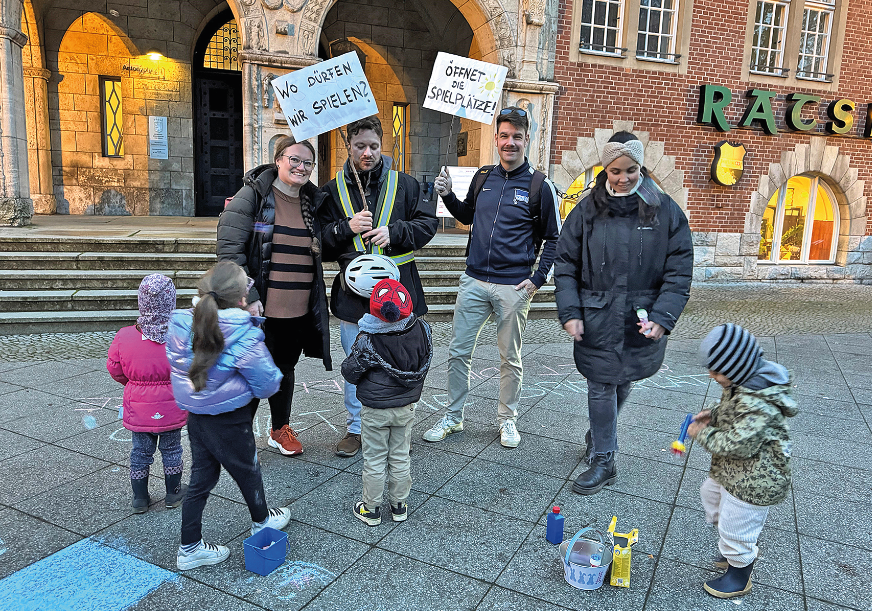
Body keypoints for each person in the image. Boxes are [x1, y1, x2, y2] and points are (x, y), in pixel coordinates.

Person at [553, 130, 693, 494]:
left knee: (623, 381)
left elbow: (679, 270)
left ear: (640, 167)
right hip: (597, 318)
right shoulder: (586, 210)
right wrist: (570, 310)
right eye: (615, 170)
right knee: (601, 385)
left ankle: (599, 434)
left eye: (630, 169)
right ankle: (604, 458)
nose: (623, 177)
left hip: (639, 320)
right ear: (605, 168)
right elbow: (565, 262)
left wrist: (664, 317)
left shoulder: (664, 210)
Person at [425, 107, 560, 448]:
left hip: (513, 286)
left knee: (510, 359)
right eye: (504, 136)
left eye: (517, 136)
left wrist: (537, 279)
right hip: (473, 280)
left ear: (526, 139)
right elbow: (467, 215)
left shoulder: (540, 186)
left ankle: (507, 420)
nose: (509, 142)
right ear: (497, 138)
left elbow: (555, 238)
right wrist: (447, 195)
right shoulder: (484, 176)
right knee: (458, 352)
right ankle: (453, 417)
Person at [320, 116, 438, 458]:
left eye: (373, 146)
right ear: (349, 146)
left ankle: (398, 424)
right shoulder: (331, 190)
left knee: (401, 357)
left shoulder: (407, 185)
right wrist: (345, 227)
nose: (367, 153)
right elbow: (321, 243)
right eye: (360, 147)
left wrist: (395, 232)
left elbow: (427, 224)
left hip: (398, 295)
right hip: (353, 298)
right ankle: (356, 429)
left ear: (381, 144)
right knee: (355, 361)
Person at [166, 261, 291, 570]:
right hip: (230, 419)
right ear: (240, 301)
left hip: (197, 417)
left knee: (201, 479)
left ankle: (190, 547)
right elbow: (268, 383)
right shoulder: (243, 334)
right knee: (249, 473)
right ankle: (262, 522)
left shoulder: (181, 323)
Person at [217, 135, 331, 457]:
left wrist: (348, 227)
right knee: (252, 370)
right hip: (260, 308)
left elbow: (324, 247)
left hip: (298, 309)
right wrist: (249, 295)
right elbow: (228, 253)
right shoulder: (252, 196)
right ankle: (239, 436)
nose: (301, 167)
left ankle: (279, 428)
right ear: (278, 160)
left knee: (284, 368)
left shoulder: (312, 202)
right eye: (294, 159)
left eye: (307, 162)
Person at [688, 323, 797, 599]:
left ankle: (739, 573)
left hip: (755, 480)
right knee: (710, 496)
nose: (712, 376)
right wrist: (712, 414)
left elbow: (738, 444)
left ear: (736, 367)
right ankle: (736, 544)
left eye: (716, 370)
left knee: (735, 525)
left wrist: (703, 433)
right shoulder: (743, 383)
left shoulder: (759, 402)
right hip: (735, 473)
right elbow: (729, 409)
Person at [341, 279, 432, 526]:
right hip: (405, 407)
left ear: (373, 309)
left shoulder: (367, 338)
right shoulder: (421, 331)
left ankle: (370, 509)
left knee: (375, 459)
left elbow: (350, 372)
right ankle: (399, 506)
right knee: (401, 456)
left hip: (375, 409)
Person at [107, 274, 187, 513]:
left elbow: (114, 367)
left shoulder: (124, 335)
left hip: (138, 407)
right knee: (172, 450)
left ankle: (140, 497)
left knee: (140, 452)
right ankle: (173, 494)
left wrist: (133, 384)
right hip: (172, 405)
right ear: (171, 303)